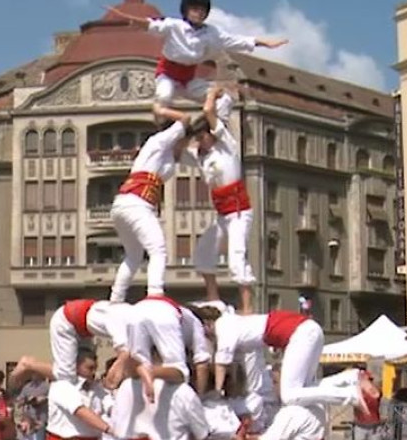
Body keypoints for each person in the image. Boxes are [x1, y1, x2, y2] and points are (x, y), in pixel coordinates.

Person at [107, 0, 287, 121]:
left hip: (189, 79)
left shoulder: (211, 33)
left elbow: (237, 41)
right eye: (195, 9)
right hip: (168, 74)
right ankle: (161, 116)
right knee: (165, 96)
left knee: (225, 98)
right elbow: (150, 25)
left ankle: (216, 128)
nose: (199, 13)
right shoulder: (173, 26)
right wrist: (129, 19)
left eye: (202, 10)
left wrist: (266, 43)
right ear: (186, 11)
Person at [192, 306, 367, 411]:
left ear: (207, 324)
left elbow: (221, 364)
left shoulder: (224, 326)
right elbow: (235, 368)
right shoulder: (234, 324)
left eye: (202, 333)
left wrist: (216, 393)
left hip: (298, 333)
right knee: (303, 389)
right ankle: (349, 378)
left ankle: (349, 395)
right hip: (307, 329)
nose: (204, 338)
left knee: (289, 395)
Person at [109, 112, 199, 303]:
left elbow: (199, 160)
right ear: (177, 137)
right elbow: (185, 119)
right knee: (158, 250)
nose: (186, 146)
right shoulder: (159, 142)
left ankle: (116, 298)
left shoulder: (170, 155)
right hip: (136, 204)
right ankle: (155, 294)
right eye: (185, 141)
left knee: (133, 255)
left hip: (125, 204)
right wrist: (164, 110)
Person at [181, 86, 255, 313]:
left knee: (236, 258)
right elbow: (179, 149)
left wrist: (212, 94)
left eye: (202, 137)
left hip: (239, 212)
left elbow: (210, 114)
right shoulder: (202, 158)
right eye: (198, 138)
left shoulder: (227, 146)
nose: (200, 141)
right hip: (223, 214)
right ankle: (214, 299)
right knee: (204, 251)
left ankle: (247, 308)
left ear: (211, 134)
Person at [127, 297, 212, 404]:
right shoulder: (195, 323)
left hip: (138, 309)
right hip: (164, 317)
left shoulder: (185, 317)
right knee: (179, 370)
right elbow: (202, 363)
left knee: (137, 358)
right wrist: (199, 398)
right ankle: (151, 371)